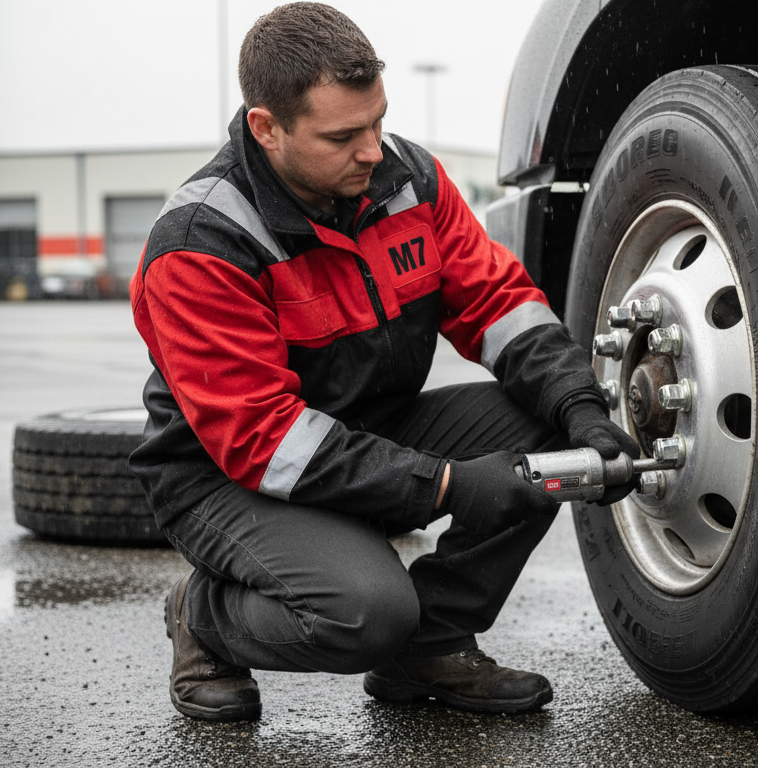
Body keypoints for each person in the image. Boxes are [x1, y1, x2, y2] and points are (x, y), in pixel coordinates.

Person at [128, 2, 637, 723]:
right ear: (265, 128)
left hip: (371, 425)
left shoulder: (407, 179)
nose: (373, 149)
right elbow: (265, 442)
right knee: (366, 612)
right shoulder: (200, 243)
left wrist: (581, 407)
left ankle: (429, 648)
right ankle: (203, 614)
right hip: (227, 477)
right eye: (343, 135)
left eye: (377, 121)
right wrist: (447, 486)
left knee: (546, 433)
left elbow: (497, 304)